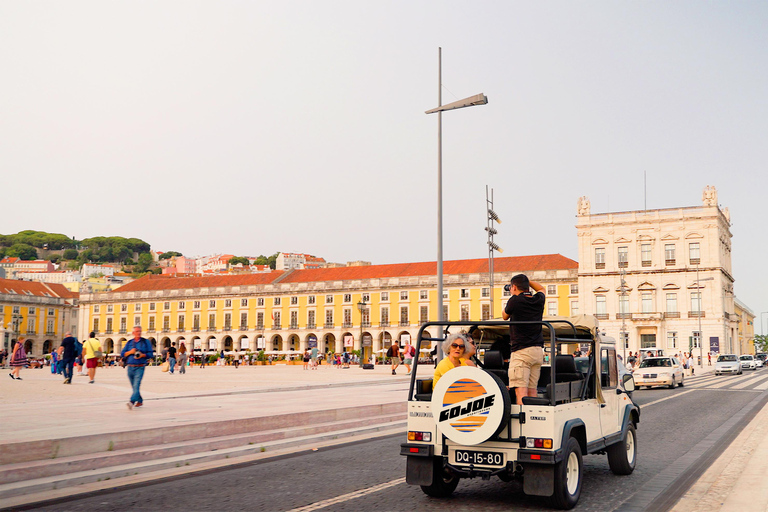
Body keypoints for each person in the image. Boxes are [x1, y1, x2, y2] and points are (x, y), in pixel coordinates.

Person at [503, 274, 546, 405]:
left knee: (521, 392)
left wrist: (514, 293)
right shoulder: (538, 299)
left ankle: (523, 422)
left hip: (521, 352)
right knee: (532, 391)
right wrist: (527, 283)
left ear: (514, 287)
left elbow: (504, 316)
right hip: (537, 351)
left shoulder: (514, 300)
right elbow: (542, 289)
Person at [120, 326, 154, 409]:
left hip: (140, 366)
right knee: (134, 386)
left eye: (140, 331)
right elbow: (122, 354)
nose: (139, 333)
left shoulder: (145, 342)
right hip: (130, 367)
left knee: (136, 385)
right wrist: (130, 352)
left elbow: (151, 354)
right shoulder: (129, 343)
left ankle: (131, 402)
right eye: (137, 331)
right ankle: (140, 400)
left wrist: (143, 355)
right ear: (133, 333)